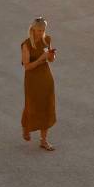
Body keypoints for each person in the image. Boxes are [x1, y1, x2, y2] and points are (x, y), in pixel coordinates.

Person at [21, 17, 56, 151]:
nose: (41, 33)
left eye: (43, 30)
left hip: (46, 77)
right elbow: (27, 66)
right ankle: (26, 127)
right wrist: (41, 59)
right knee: (32, 104)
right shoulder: (26, 44)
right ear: (33, 29)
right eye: (38, 30)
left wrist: (52, 56)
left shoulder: (47, 40)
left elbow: (51, 60)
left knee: (47, 105)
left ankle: (44, 140)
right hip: (32, 79)